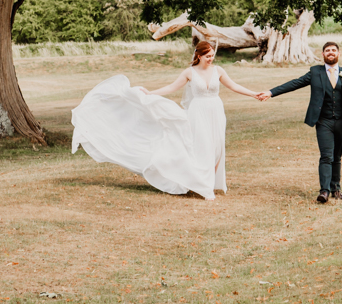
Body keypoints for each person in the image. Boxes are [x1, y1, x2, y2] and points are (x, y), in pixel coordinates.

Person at [71, 41, 262, 200]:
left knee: (218, 146)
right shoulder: (190, 72)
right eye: (208, 56)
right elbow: (172, 87)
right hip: (198, 112)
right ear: (199, 56)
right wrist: (150, 93)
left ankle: (211, 181)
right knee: (202, 146)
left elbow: (234, 86)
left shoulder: (218, 70)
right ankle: (204, 185)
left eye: (212, 55)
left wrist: (254, 94)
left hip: (216, 110)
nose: (211, 59)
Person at [258, 41, 342, 204]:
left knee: (337, 156)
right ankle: (324, 191)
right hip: (323, 121)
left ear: (338, 54)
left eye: (333, 50)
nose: (330, 52)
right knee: (326, 156)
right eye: (327, 50)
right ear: (322, 55)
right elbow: (295, 83)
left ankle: (336, 189)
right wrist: (271, 92)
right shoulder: (315, 72)